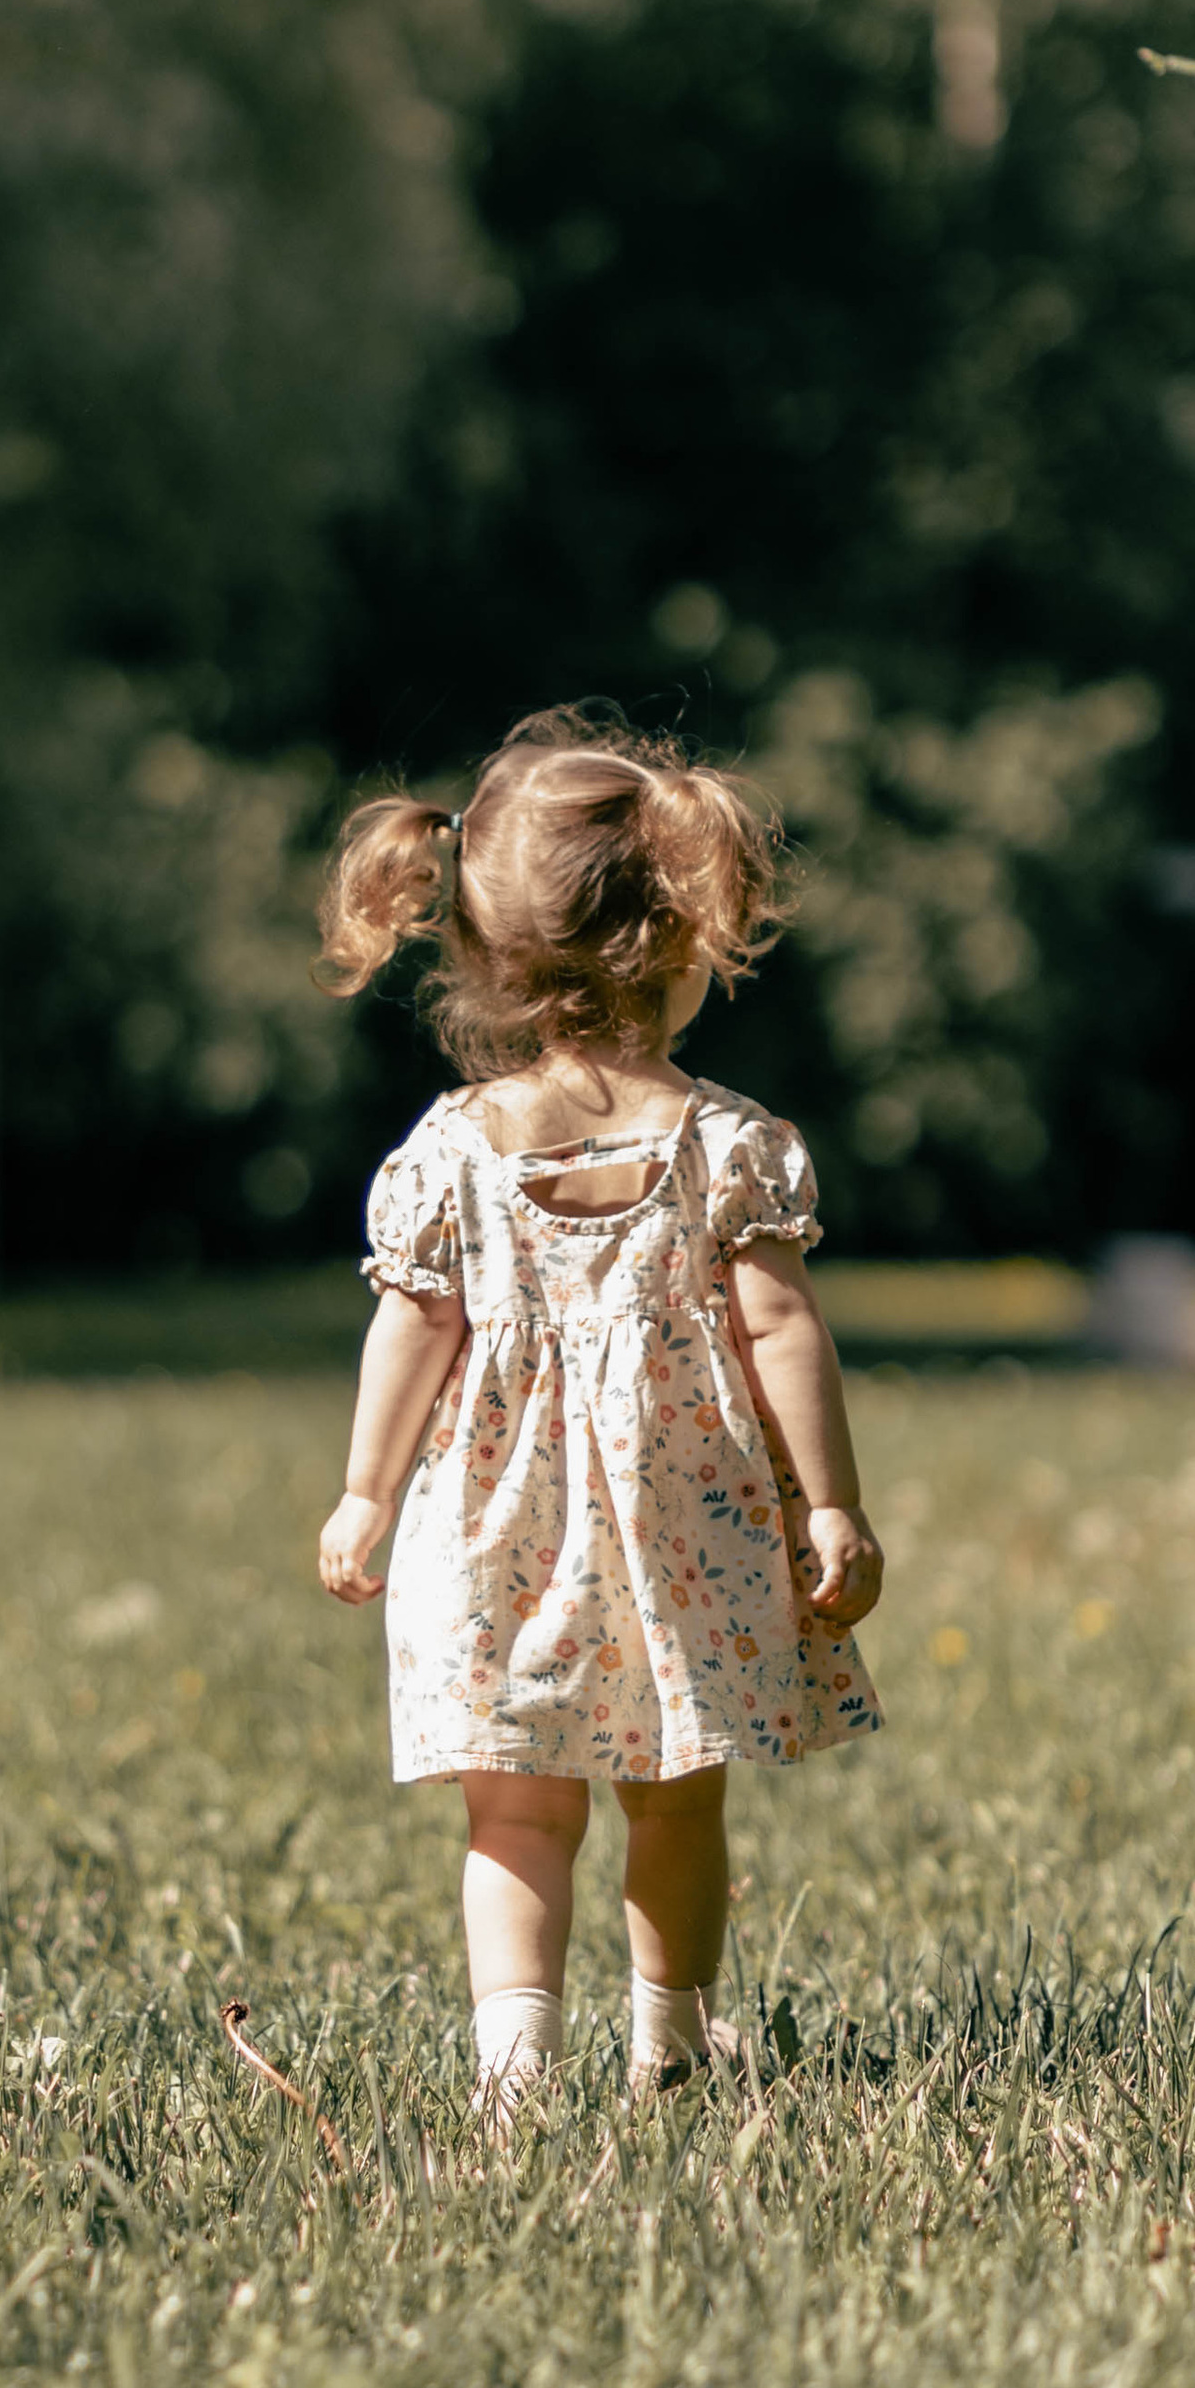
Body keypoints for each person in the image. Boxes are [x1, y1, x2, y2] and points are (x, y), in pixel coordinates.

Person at [312, 705, 885, 2108]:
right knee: (679, 1792)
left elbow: (413, 1330)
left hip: (493, 1534)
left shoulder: (448, 1152)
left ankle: (518, 2076)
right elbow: (779, 1330)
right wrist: (829, 1503)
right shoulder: (734, 1149)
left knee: (512, 1808)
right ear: (681, 944)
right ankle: (672, 2055)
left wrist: (367, 1494)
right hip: (678, 1530)